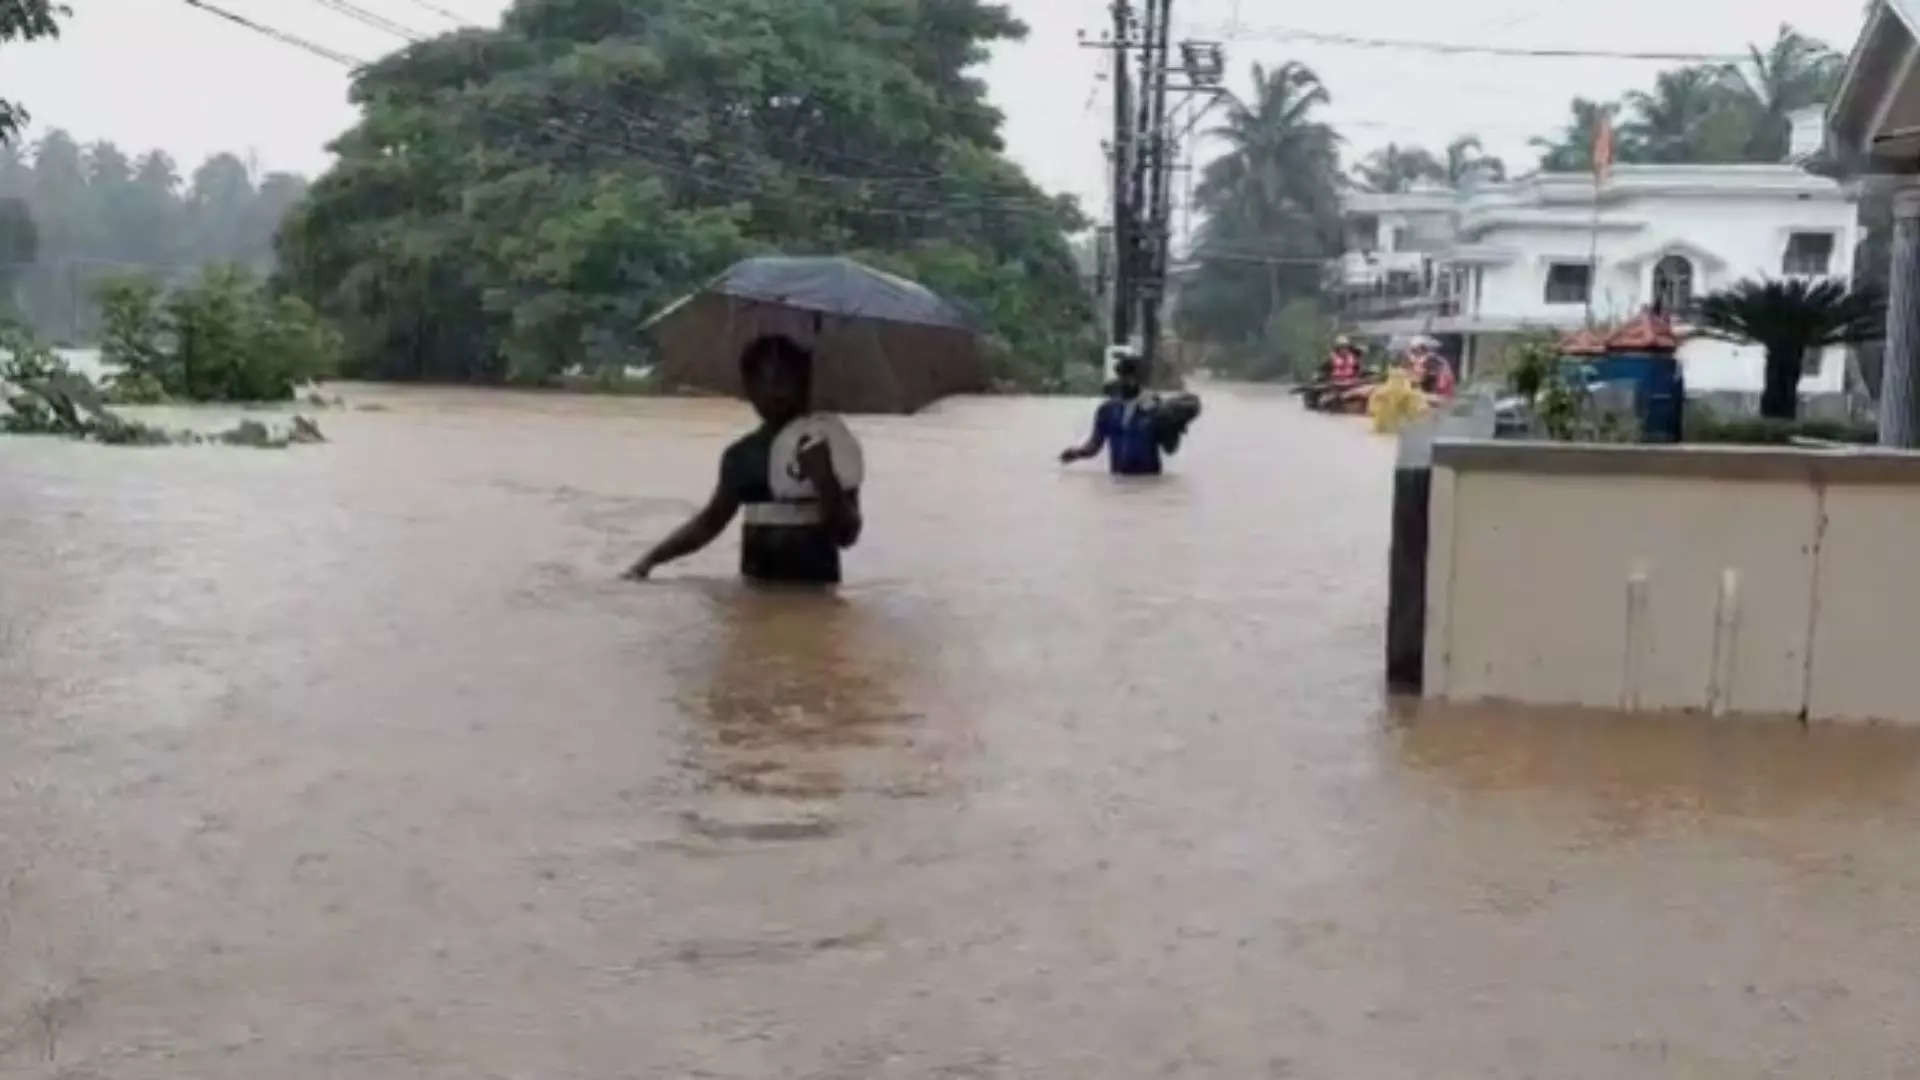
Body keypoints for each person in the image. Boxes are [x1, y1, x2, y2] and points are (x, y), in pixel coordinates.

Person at [626, 335, 861, 585]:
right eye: (768, 381)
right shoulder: (741, 456)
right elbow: (708, 524)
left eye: (788, 379)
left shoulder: (833, 448)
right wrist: (649, 561)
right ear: (749, 388)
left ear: (805, 384)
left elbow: (847, 535)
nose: (778, 390)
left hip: (817, 601)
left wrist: (825, 479)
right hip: (755, 600)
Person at [1059, 356, 1163, 476]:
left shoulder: (1153, 405)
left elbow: (1169, 442)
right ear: (1119, 376)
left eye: (1133, 377)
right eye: (1124, 376)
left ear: (1140, 379)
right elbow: (1095, 444)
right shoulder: (1107, 410)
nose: (1129, 380)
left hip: (1148, 480)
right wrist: (1077, 453)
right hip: (1118, 478)